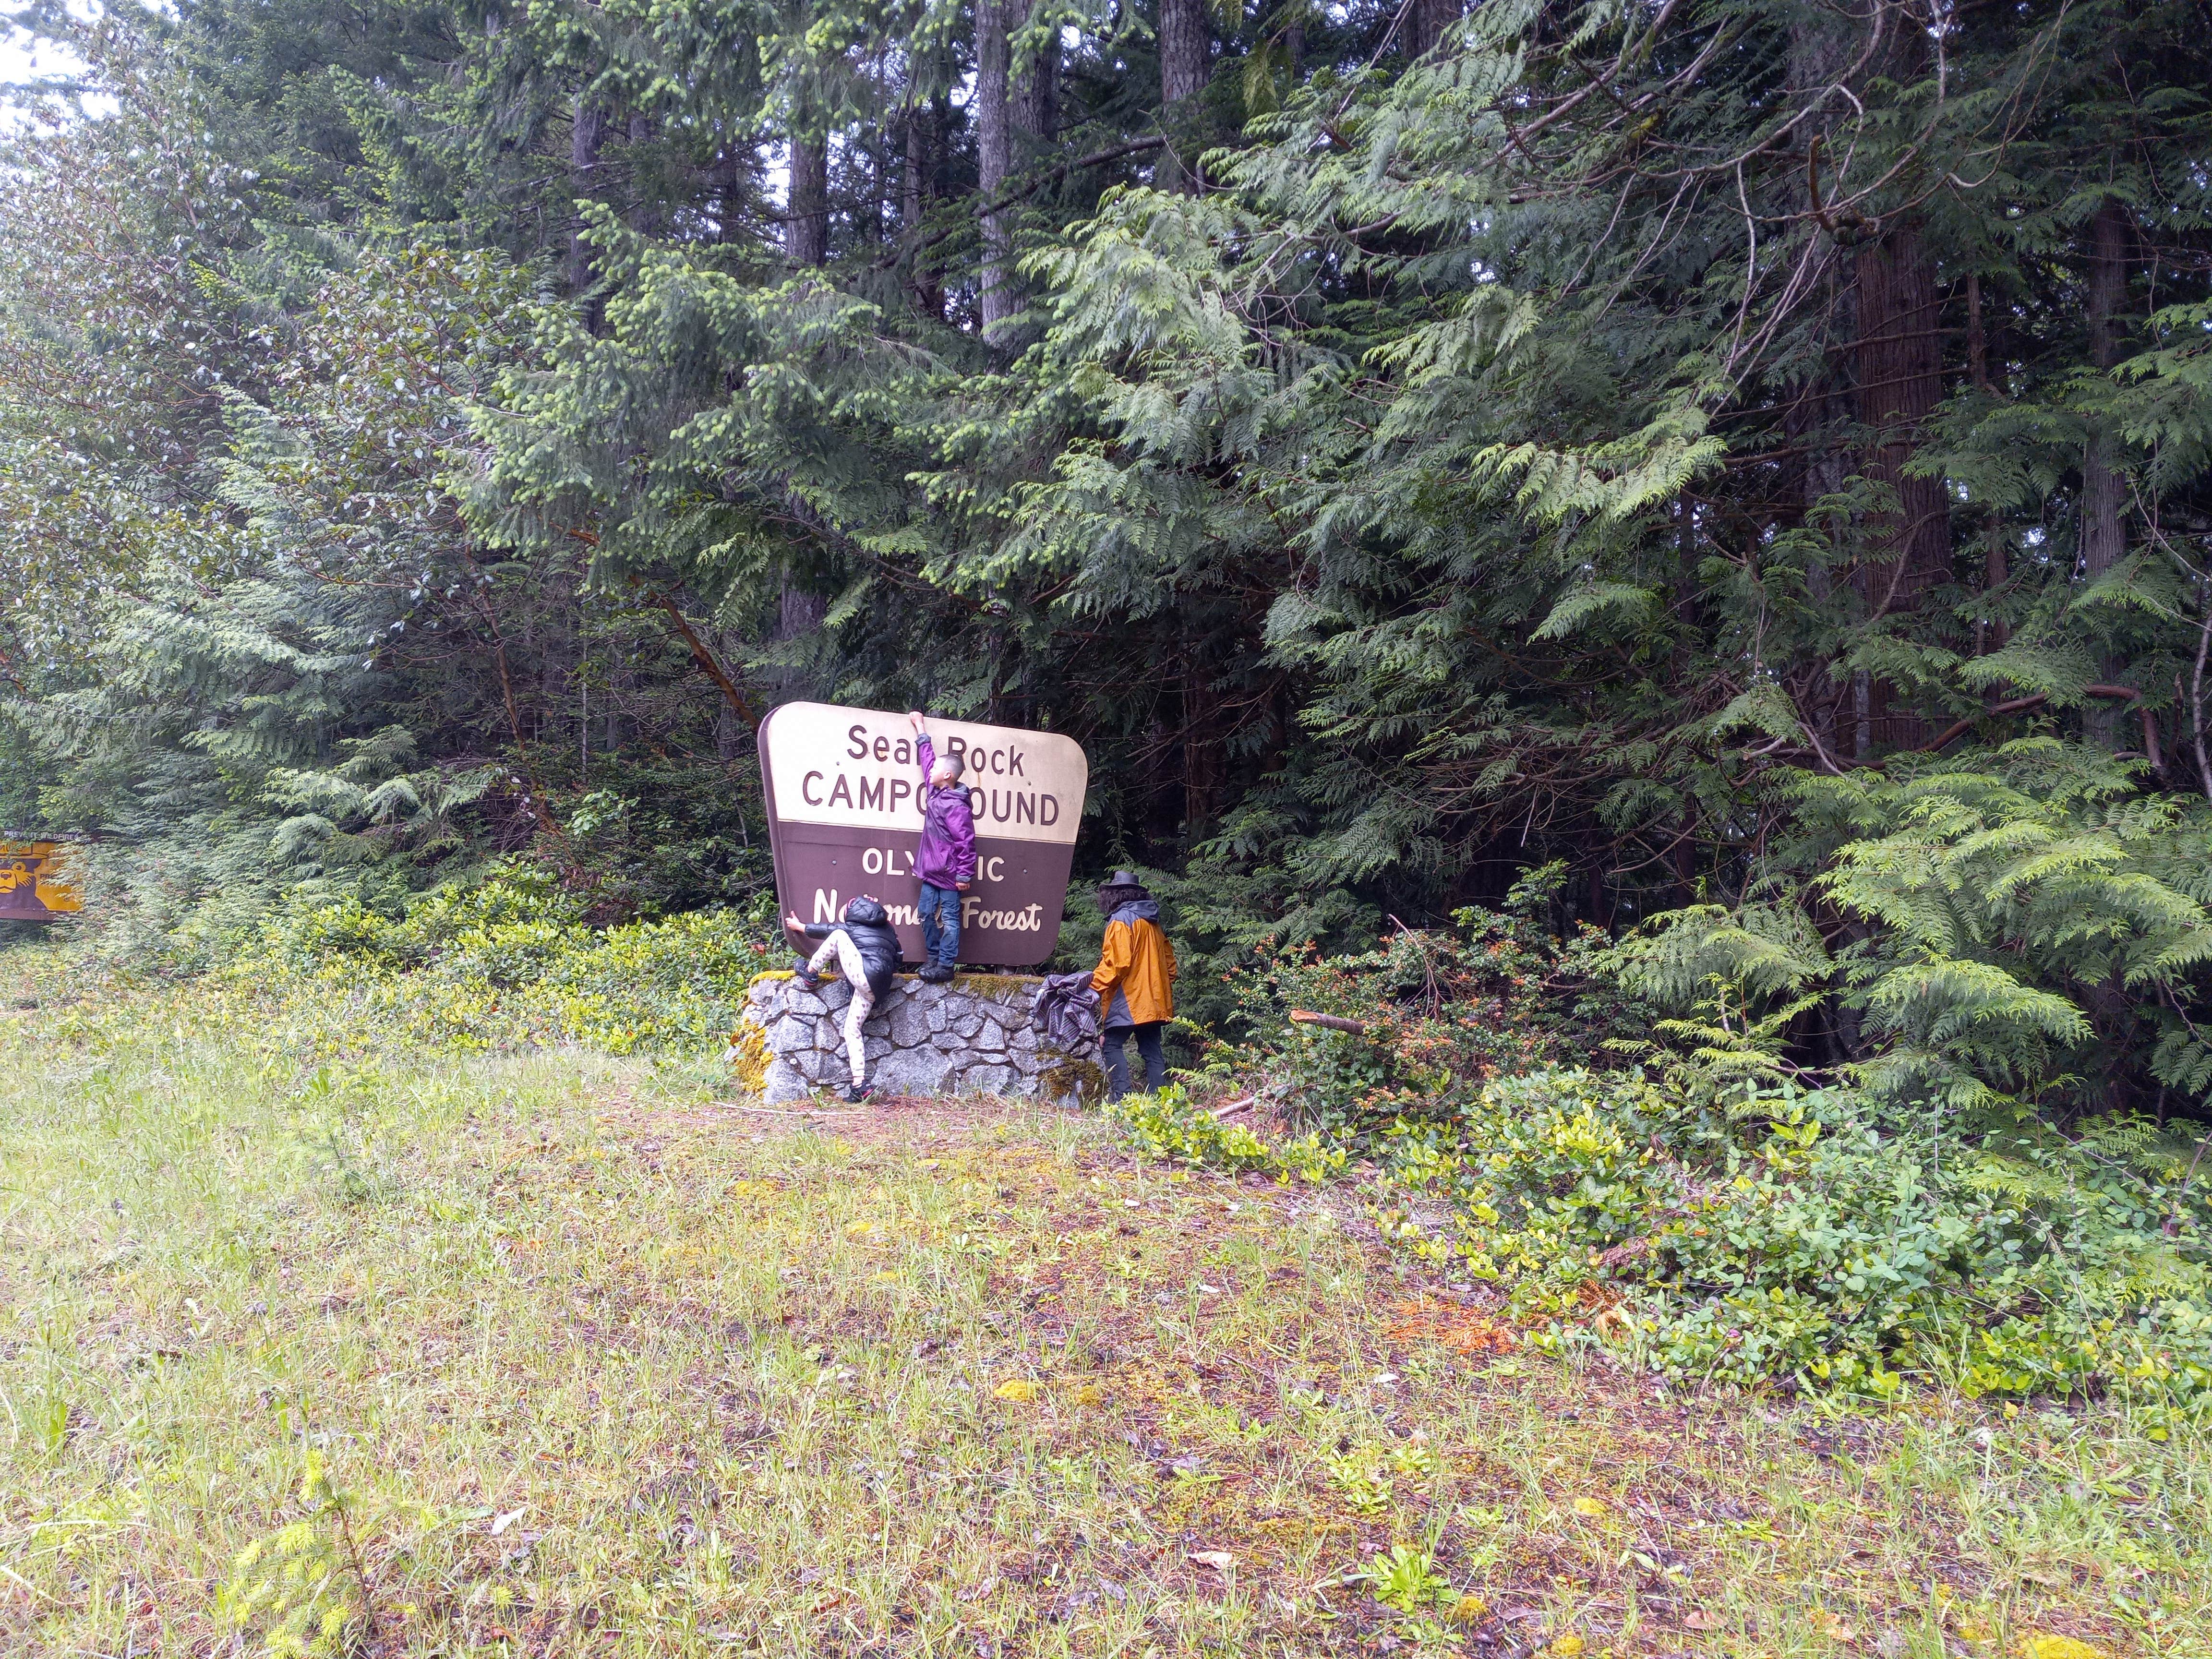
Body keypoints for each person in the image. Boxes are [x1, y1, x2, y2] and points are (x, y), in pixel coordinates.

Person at [787, 894, 902, 1103]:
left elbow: (828, 931)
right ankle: (860, 1084)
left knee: (838, 935)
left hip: (864, 976)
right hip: (878, 987)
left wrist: (800, 926)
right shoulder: (888, 928)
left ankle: (811, 971)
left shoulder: (851, 927)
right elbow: (899, 956)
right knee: (851, 1029)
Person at [1089, 870, 1176, 1098]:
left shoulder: (1121, 921)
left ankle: (1123, 1101)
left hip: (1128, 999)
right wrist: (1158, 990)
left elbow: (1117, 964)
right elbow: (1170, 966)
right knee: (1152, 1052)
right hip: (1154, 1001)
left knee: (1111, 1045)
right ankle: (1163, 1104)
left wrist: (1093, 988)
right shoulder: (1152, 923)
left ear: (1115, 896)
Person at [906, 710, 976, 983]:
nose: (931, 770)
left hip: (949, 875)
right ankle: (934, 958)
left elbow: (966, 841)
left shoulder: (957, 806)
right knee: (925, 913)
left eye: (937, 769)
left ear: (947, 775)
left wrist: (964, 875)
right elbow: (927, 759)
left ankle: (946, 966)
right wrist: (920, 726)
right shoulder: (936, 791)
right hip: (929, 871)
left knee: (949, 919)